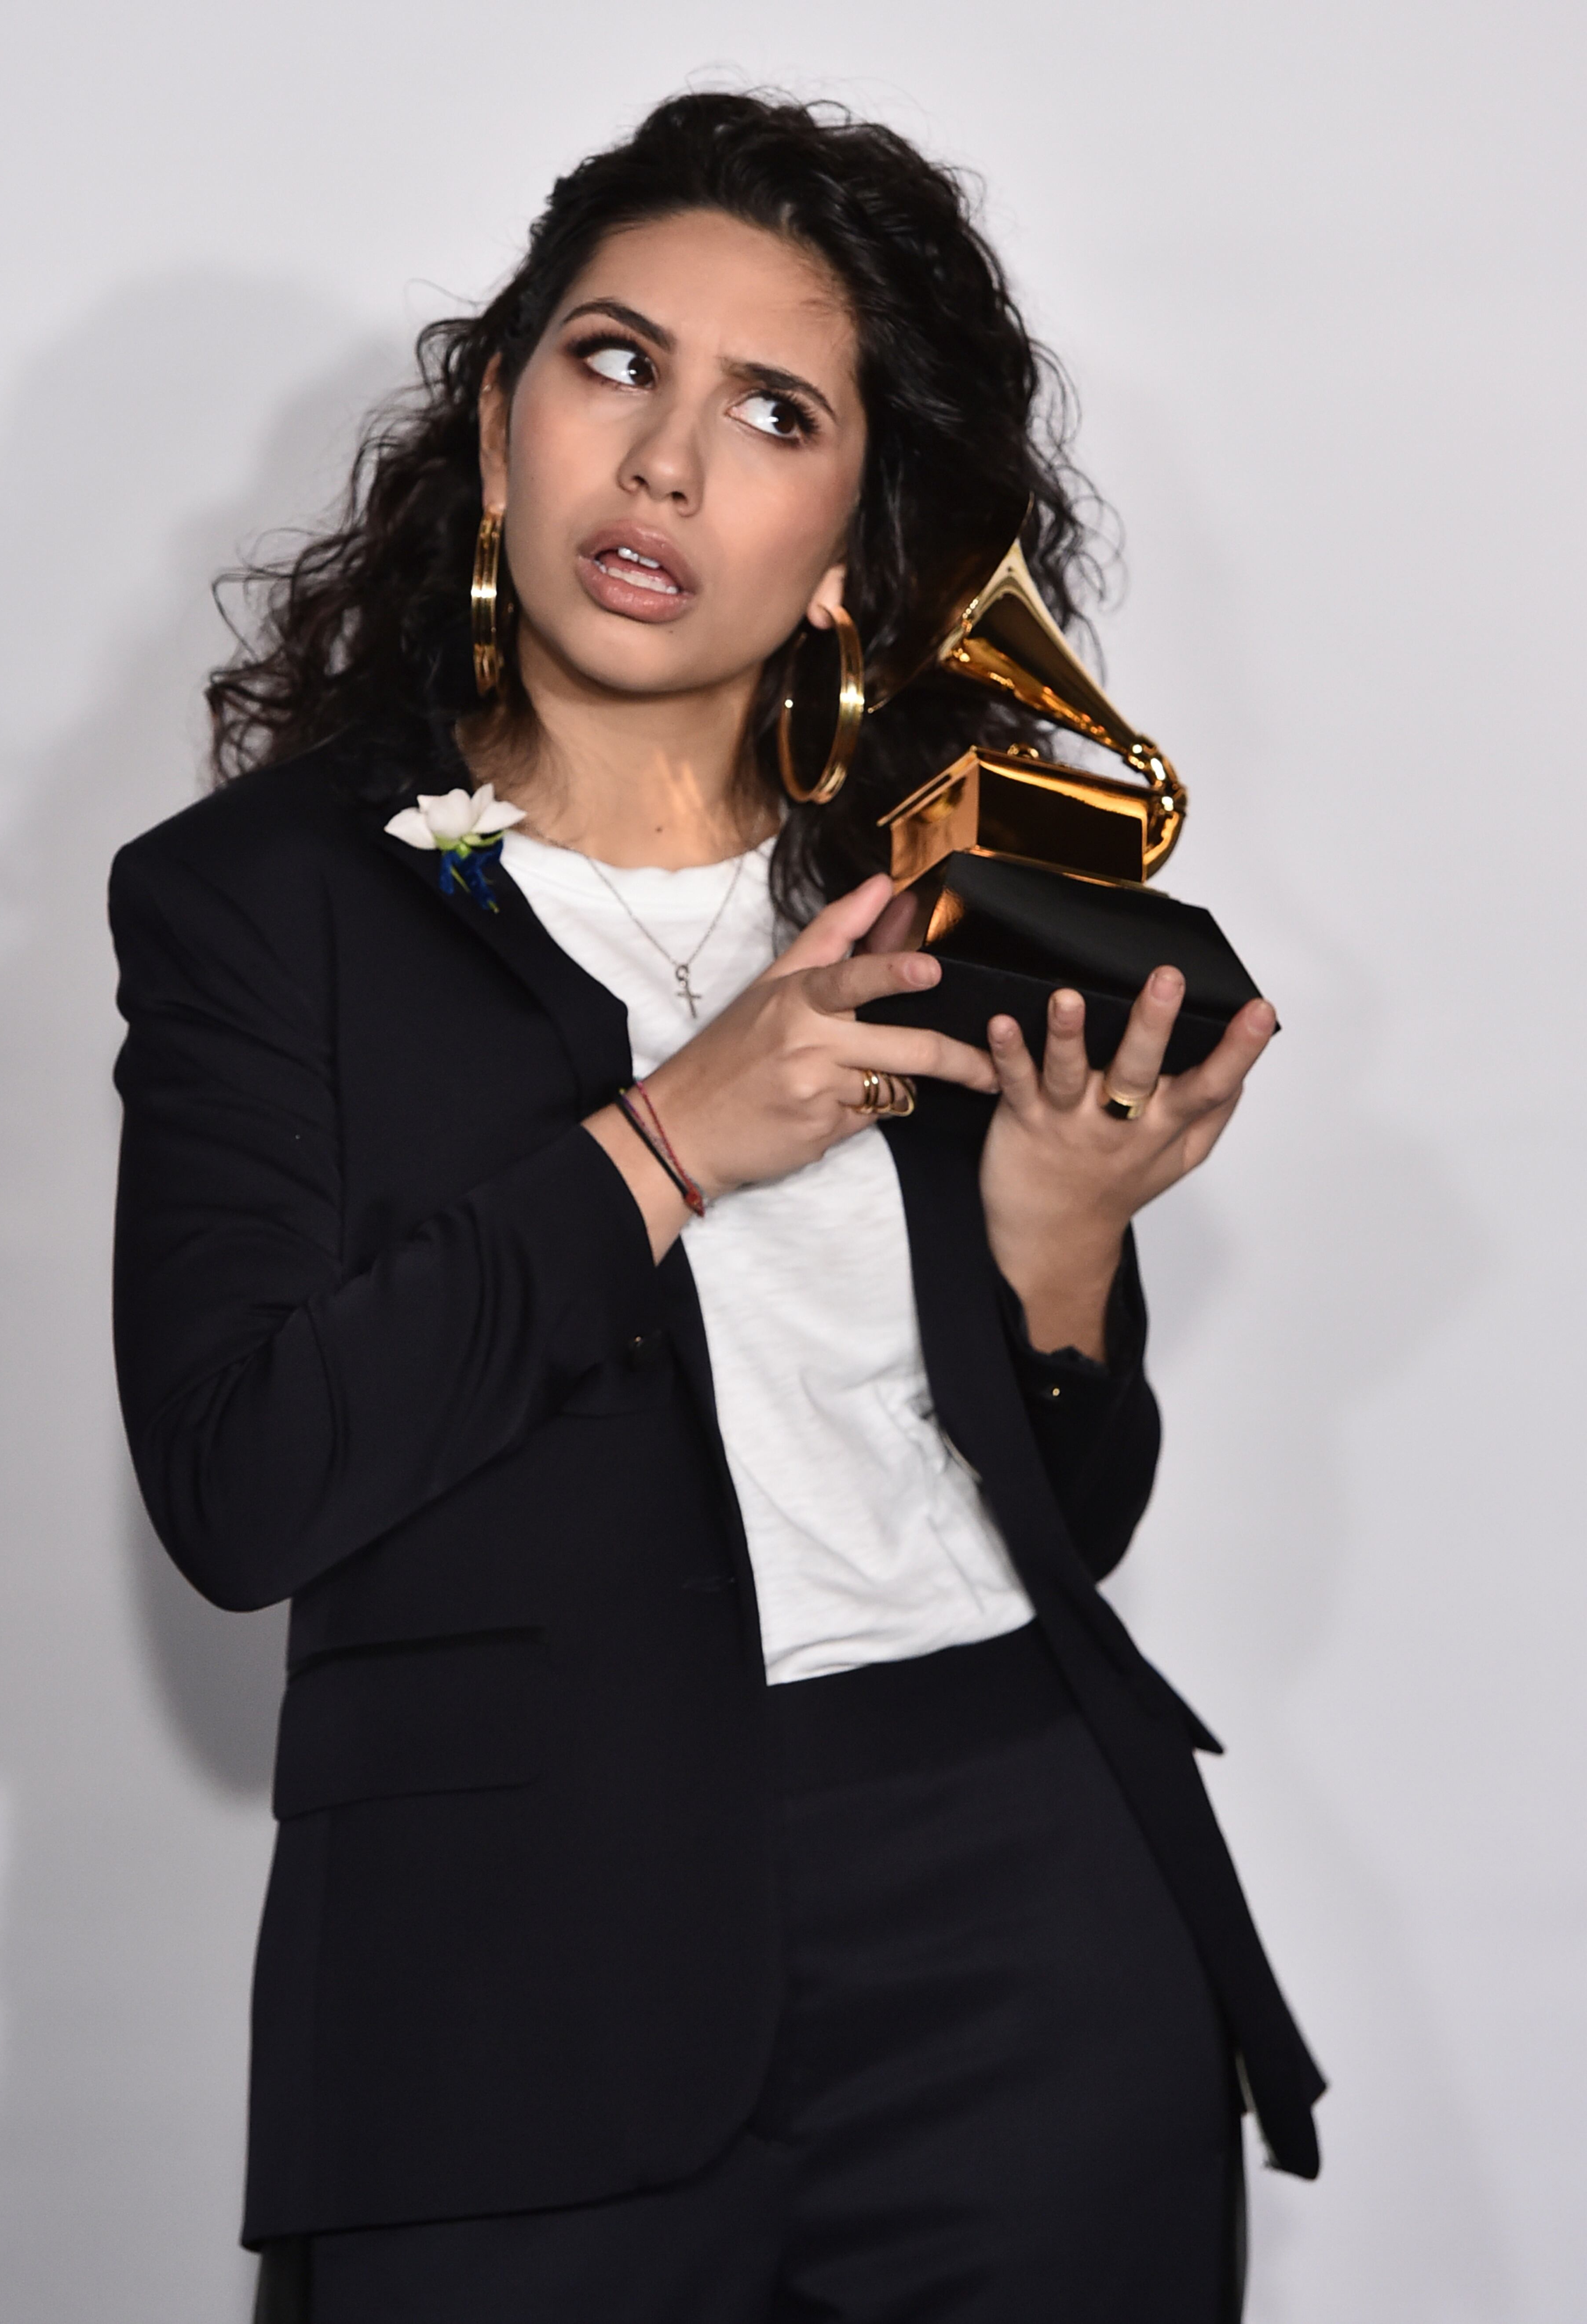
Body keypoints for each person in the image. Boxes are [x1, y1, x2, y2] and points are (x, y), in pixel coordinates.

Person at [109, 91, 1322, 2324]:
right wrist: (665, 1141)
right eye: (615, 363)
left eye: (776, 414)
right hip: (507, 1978)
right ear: (500, 428)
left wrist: (1059, 1244)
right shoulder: (259, 903)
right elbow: (239, 1480)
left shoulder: (936, 903)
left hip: (1024, 1921)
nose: (667, 463)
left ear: (850, 545)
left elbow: (1064, 1511)